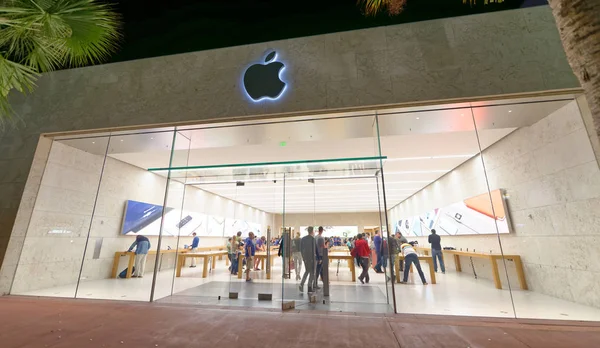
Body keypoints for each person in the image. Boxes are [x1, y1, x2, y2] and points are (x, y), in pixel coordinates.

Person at [300, 226, 316, 292]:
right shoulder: (313, 239)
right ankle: (309, 286)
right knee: (312, 272)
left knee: (307, 271)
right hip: (311, 258)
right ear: (312, 231)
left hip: (305, 258)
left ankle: (301, 284)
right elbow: (314, 250)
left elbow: (301, 249)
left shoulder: (303, 239)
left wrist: (304, 258)